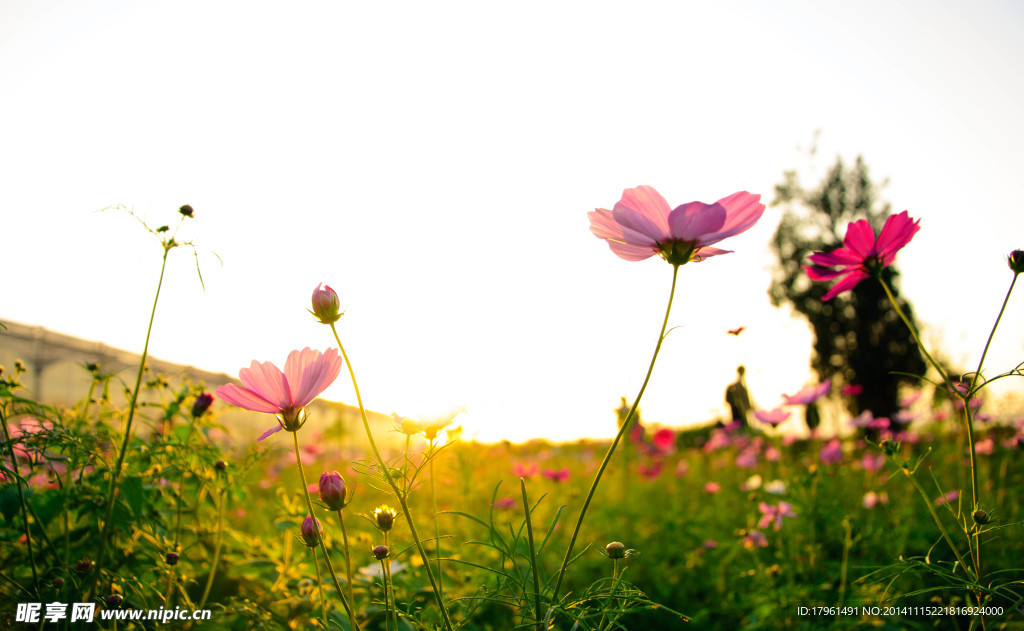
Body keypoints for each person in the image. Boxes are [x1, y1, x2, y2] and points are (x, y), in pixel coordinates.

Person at [725, 366, 752, 430]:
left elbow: (747, 401)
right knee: (739, 428)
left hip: (743, 413)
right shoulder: (733, 387)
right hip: (737, 413)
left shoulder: (743, 386)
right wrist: (736, 404)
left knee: (745, 428)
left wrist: (747, 407)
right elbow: (727, 399)